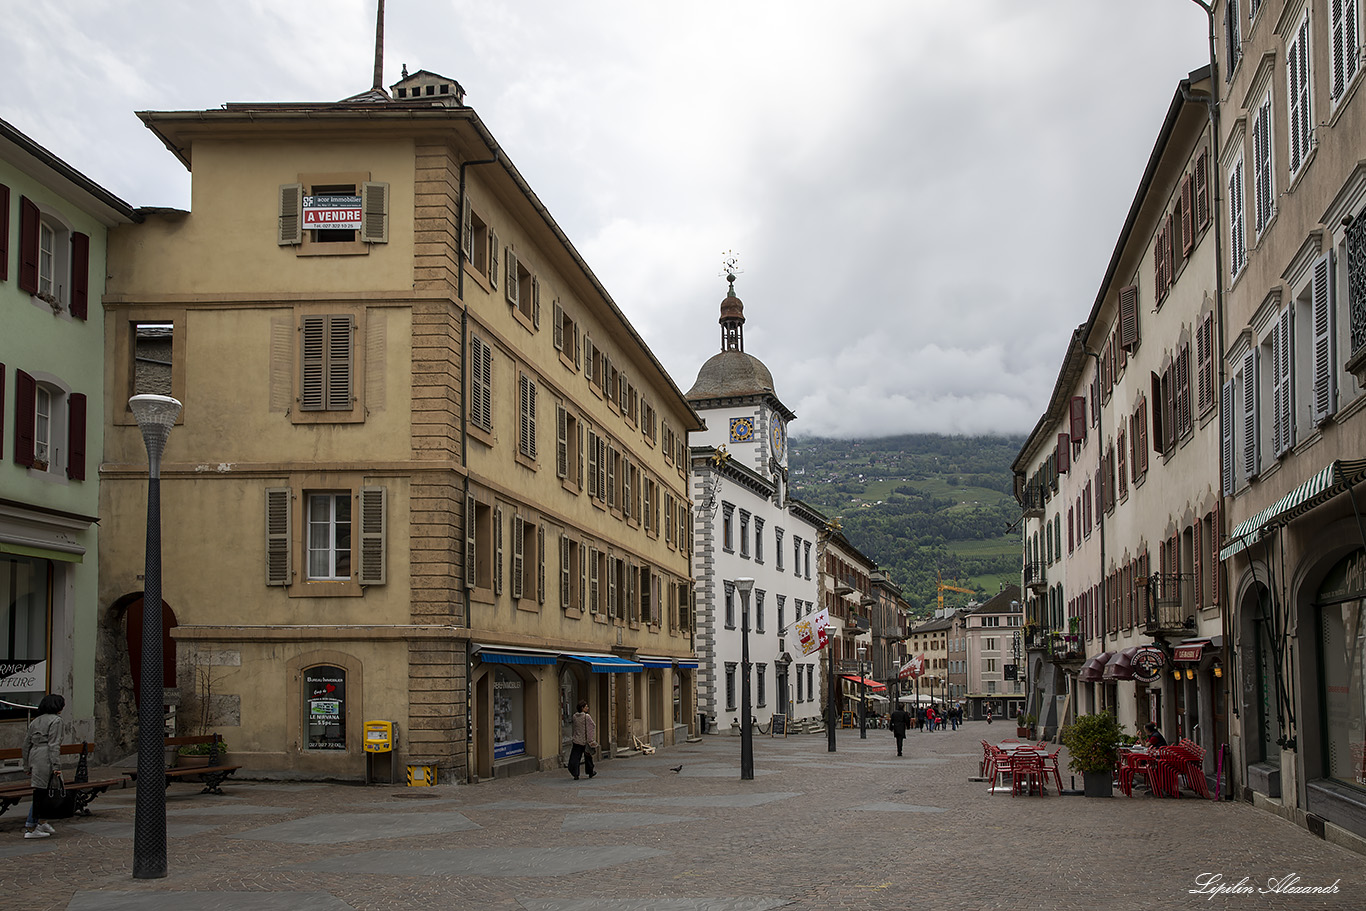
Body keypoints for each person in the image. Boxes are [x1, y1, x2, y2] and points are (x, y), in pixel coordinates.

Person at [21, 693, 65, 838]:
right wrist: (56, 766)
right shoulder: (56, 721)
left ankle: (42, 821)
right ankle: (31, 826)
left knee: (42, 791)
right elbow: (54, 744)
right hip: (45, 757)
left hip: (35, 755)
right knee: (42, 792)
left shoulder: (36, 721)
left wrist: (27, 765)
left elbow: (26, 744)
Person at [568, 700, 597, 780]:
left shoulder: (574, 716)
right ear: (582, 708)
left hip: (576, 740)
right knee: (588, 757)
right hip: (585, 741)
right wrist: (590, 739)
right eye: (586, 706)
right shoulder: (586, 717)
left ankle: (575, 773)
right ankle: (590, 772)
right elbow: (591, 726)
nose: (587, 708)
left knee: (575, 757)